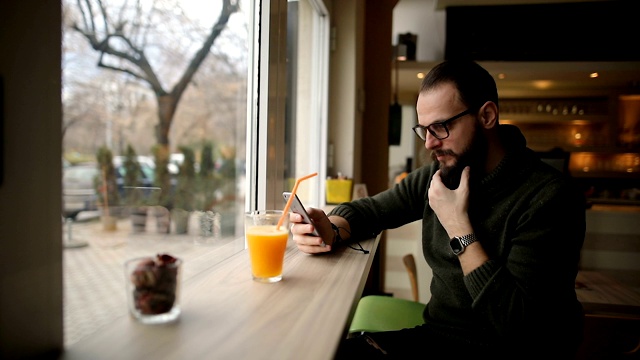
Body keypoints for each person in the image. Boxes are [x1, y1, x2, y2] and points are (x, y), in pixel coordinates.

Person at [290, 60, 586, 358]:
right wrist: (330, 227)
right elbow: (371, 211)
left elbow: (518, 327)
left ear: (487, 116)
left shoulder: (549, 197)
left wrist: (458, 225)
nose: (430, 143)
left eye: (441, 127)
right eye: (424, 129)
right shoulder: (439, 175)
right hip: (437, 339)